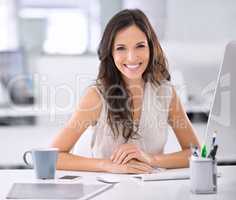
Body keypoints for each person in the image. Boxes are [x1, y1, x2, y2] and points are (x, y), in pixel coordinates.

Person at [51, 9, 200, 174]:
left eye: (140, 46)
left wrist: (151, 159)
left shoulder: (165, 93)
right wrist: (106, 165)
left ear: (151, 48)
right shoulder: (96, 96)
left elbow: (197, 153)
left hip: (153, 189)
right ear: (111, 53)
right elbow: (53, 156)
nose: (131, 57)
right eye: (121, 48)